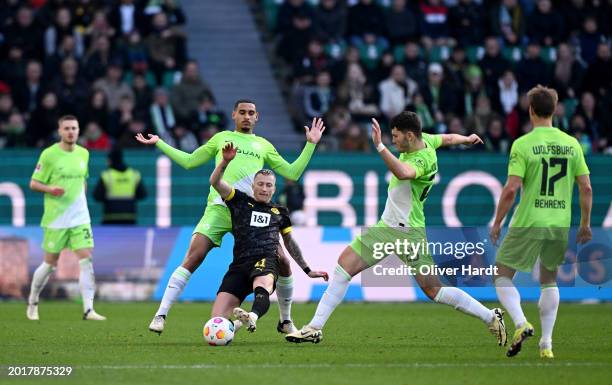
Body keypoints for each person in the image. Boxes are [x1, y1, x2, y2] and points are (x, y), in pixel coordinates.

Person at [286, 111, 507, 346]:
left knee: (434, 290)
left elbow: (403, 172)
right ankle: (314, 328)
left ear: (410, 136)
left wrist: (380, 146)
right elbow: (448, 138)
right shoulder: (426, 140)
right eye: (391, 137)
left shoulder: (421, 159)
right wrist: (466, 138)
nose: (394, 141)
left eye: (396, 136)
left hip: (407, 232)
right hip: (387, 228)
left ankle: (490, 316)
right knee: (344, 267)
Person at [135, 99, 325, 335]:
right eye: (242, 112)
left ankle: (285, 320)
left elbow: (292, 173)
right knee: (194, 256)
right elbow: (190, 161)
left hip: (249, 213)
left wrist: (310, 145)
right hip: (219, 208)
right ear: (234, 114)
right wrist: (160, 143)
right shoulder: (220, 138)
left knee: (283, 260)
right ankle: (161, 314)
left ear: (257, 117)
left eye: (251, 113)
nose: (247, 116)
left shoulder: (263, 145)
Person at [490, 85, 592, 359]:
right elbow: (586, 188)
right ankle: (546, 344)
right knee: (549, 280)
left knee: (501, 274)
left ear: (531, 110)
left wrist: (498, 221)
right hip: (559, 222)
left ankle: (521, 322)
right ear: (555, 110)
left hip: (528, 221)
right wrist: (585, 223)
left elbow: (511, 189)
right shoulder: (572, 144)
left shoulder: (523, 144)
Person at [208, 143, 328, 333]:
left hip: (265, 260)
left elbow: (289, 242)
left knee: (263, 284)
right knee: (216, 322)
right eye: (261, 184)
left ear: (274, 189)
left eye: (269, 185)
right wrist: (224, 161)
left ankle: (255, 317)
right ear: (253, 186)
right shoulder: (238, 200)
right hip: (239, 265)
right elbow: (215, 182)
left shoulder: (280, 212)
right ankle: (237, 324)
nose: (264, 188)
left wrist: (307, 269)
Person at [27, 115, 106, 321]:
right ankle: (33, 301)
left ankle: (89, 309)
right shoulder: (49, 155)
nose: (71, 132)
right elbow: (34, 183)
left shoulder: (84, 154)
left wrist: (81, 204)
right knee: (50, 264)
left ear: (79, 131)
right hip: (56, 219)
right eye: (67, 128)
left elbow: (83, 182)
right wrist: (50, 189)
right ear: (60, 131)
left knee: (86, 259)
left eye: (74, 128)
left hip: (79, 218)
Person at [93, 147, 147, 224]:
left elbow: (96, 196)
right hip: (130, 218)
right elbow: (142, 195)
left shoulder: (107, 175)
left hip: (110, 218)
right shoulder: (134, 175)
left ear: (110, 160)